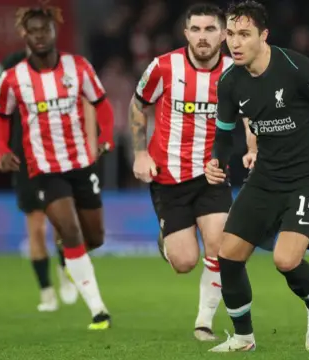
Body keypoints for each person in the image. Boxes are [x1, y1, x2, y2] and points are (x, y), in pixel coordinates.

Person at [204, 0, 309, 352]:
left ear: (263, 36)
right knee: (227, 254)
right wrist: (216, 161)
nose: (235, 42)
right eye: (230, 33)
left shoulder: (295, 68)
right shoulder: (230, 82)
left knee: (285, 260)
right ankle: (244, 338)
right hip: (265, 176)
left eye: (244, 34)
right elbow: (224, 134)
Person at [0, 5, 114, 330]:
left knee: (95, 237)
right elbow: (1, 116)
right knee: (68, 230)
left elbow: (101, 103)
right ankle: (98, 309)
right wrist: (2, 149)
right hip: (43, 168)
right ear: (24, 34)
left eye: (45, 29)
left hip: (80, 163)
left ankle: (68, 257)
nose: (40, 36)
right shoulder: (13, 77)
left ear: (54, 30)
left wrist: (105, 136)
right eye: (33, 31)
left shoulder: (79, 67)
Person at [130, 3, 237, 342]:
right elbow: (137, 105)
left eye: (209, 30)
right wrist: (139, 152)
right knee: (184, 262)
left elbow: (251, 114)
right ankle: (168, 242)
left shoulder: (236, 71)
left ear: (222, 34)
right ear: (186, 33)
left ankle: (203, 323)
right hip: (168, 177)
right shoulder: (163, 67)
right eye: (196, 29)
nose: (202, 37)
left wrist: (251, 148)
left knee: (219, 246)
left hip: (212, 174)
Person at [0, 47, 87, 313]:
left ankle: (65, 269)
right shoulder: (12, 64)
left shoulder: (60, 65)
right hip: (24, 155)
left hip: (58, 152)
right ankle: (46, 291)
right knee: (36, 225)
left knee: (61, 220)